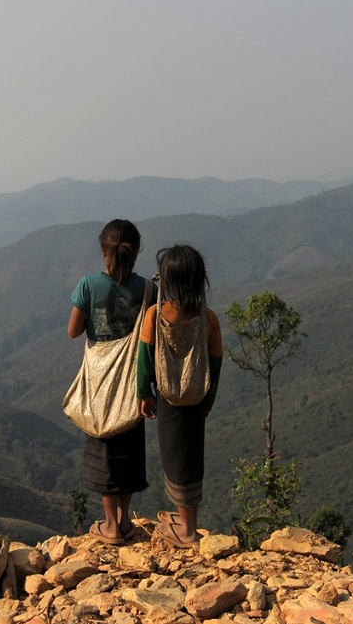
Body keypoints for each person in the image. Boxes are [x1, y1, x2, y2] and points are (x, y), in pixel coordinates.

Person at [67, 218, 151, 545]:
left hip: (100, 383)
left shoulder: (88, 286)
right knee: (128, 447)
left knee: (103, 445)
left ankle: (110, 526)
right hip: (133, 381)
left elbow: (73, 331)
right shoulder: (148, 289)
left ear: (104, 251)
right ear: (136, 251)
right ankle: (126, 524)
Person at [137, 243, 223, 548]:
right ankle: (187, 518)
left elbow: (144, 359)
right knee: (191, 459)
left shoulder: (155, 316)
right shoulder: (208, 318)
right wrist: (208, 402)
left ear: (167, 281)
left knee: (174, 460)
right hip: (197, 399)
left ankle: (187, 532)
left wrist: (143, 393)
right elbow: (215, 363)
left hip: (167, 399)